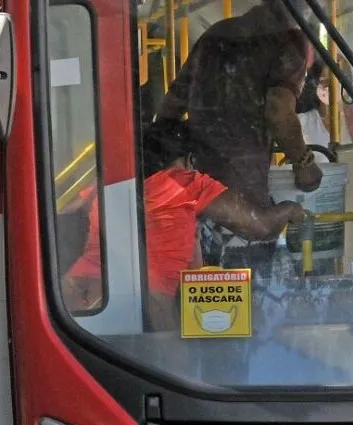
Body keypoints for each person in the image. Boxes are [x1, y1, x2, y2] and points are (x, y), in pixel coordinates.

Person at [62, 121, 306, 330]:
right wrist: (291, 210)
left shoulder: (107, 187)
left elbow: (65, 212)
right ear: (190, 160)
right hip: (149, 305)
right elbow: (260, 226)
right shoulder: (185, 182)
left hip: (77, 293)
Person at [157, 0, 321, 271]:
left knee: (203, 291)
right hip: (243, 199)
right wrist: (304, 164)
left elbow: (169, 110)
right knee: (247, 293)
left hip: (195, 195)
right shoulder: (289, 41)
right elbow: (279, 111)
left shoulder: (216, 35)